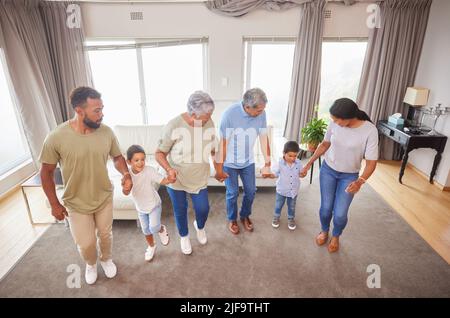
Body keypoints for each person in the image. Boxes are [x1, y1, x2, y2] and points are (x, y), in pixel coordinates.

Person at [39, 86, 132, 284]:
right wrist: (54, 204)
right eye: (96, 110)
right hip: (75, 201)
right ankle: (90, 263)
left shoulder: (106, 132)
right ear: (79, 111)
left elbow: (117, 157)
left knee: (106, 235)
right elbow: (46, 172)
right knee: (86, 243)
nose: (102, 114)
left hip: (104, 195)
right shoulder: (56, 137)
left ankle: (106, 259)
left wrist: (126, 173)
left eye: (102, 109)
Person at [300, 98, 378, 253]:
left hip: (349, 176)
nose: (334, 123)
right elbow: (325, 144)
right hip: (328, 170)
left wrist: (360, 181)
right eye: (333, 119)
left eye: (337, 120)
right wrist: (309, 163)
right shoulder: (334, 123)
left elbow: (371, 162)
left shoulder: (370, 130)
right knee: (325, 208)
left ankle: (336, 236)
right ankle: (324, 231)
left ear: (349, 118)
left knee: (340, 214)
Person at [155, 91, 219, 255]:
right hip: (176, 178)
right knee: (180, 210)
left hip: (199, 176)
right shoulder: (174, 126)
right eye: (206, 115)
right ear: (193, 114)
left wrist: (219, 169)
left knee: (203, 209)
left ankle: (200, 226)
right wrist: (169, 169)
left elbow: (213, 149)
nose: (209, 118)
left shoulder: (208, 122)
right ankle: (184, 236)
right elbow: (159, 153)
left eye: (210, 114)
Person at [215, 88, 272, 235]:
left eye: (262, 110)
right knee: (232, 193)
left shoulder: (261, 113)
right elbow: (223, 144)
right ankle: (232, 218)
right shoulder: (229, 114)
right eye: (258, 111)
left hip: (248, 161)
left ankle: (245, 215)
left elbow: (264, 138)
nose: (261, 113)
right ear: (247, 107)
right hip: (230, 163)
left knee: (251, 191)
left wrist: (267, 163)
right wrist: (219, 169)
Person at [124, 145, 174, 261]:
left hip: (154, 205)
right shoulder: (128, 176)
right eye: (136, 160)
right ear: (129, 161)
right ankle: (151, 246)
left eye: (143, 159)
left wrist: (170, 179)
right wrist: (125, 189)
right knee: (146, 230)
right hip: (141, 208)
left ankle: (161, 229)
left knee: (154, 227)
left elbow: (163, 180)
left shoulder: (150, 170)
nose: (141, 163)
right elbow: (126, 192)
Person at [268, 141, 304, 230]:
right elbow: (275, 174)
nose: (293, 158)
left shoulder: (298, 163)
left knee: (292, 206)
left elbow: (301, 174)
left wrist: (303, 174)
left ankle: (291, 218)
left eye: (295, 156)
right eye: (290, 156)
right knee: (278, 205)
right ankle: (276, 217)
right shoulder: (279, 163)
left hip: (293, 190)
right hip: (282, 190)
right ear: (284, 153)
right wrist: (270, 175)